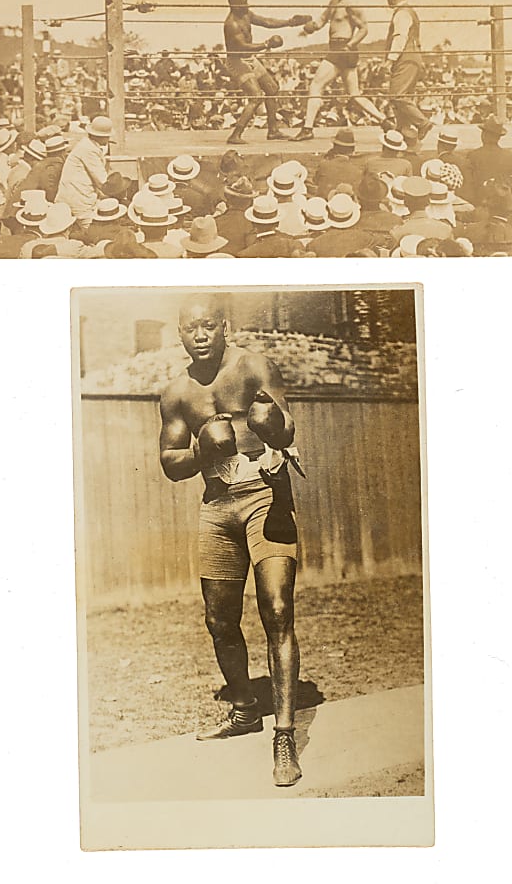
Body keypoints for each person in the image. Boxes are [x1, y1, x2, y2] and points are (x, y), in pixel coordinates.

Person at [159, 296, 304, 786]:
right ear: (179, 333)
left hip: (266, 496)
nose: (199, 335)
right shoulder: (177, 393)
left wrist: (269, 426)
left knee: (277, 610)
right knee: (219, 619)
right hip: (218, 506)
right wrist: (202, 450)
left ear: (223, 327)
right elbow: (169, 462)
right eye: (189, 327)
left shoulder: (255, 366)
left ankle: (283, 734)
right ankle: (244, 708)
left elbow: (286, 430)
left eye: (207, 325)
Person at [294, 0, 386, 140]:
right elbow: (321, 21)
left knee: (315, 85)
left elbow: (364, 29)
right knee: (355, 94)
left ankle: (307, 129)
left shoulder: (351, 4)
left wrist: (350, 45)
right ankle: (386, 122)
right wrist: (307, 27)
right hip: (338, 48)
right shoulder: (334, 2)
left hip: (343, 48)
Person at [223, 0, 312, 144]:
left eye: (246, 2)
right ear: (234, 6)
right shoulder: (231, 24)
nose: (246, 6)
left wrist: (289, 22)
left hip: (249, 58)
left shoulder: (246, 14)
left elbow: (266, 22)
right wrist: (266, 45)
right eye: (243, 4)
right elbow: (242, 47)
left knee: (272, 89)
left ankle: (273, 130)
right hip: (236, 61)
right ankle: (235, 135)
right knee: (256, 96)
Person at [384, 0, 432, 138]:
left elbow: (400, 37)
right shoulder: (410, 11)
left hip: (405, 57)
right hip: (412, 56)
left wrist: (390, 60)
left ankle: (422, 123)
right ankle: (402, 130)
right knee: (404, 96)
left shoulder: (402, 13)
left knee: (397, 95)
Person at [55, 115, 114, 221]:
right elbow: (102, 182)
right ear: (101, 136)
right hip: (79, 200)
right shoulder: (90, 149)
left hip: (73, 196)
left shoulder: (87, 145)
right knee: (92, 229)